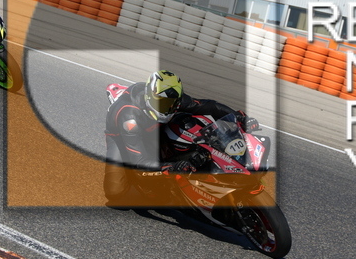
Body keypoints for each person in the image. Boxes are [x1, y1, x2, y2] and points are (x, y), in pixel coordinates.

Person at [103, 69, 259, 206]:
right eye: (162, 104)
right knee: (116, 192)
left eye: (172, 104)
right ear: (150, 97)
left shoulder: (174, 99)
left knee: (194, 122)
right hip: (123, 135)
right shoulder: (129, 119)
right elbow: (140, 162)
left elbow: (208, 106)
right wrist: (172, 167)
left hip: (157, 125)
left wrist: (239, 117)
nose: (168, 108)